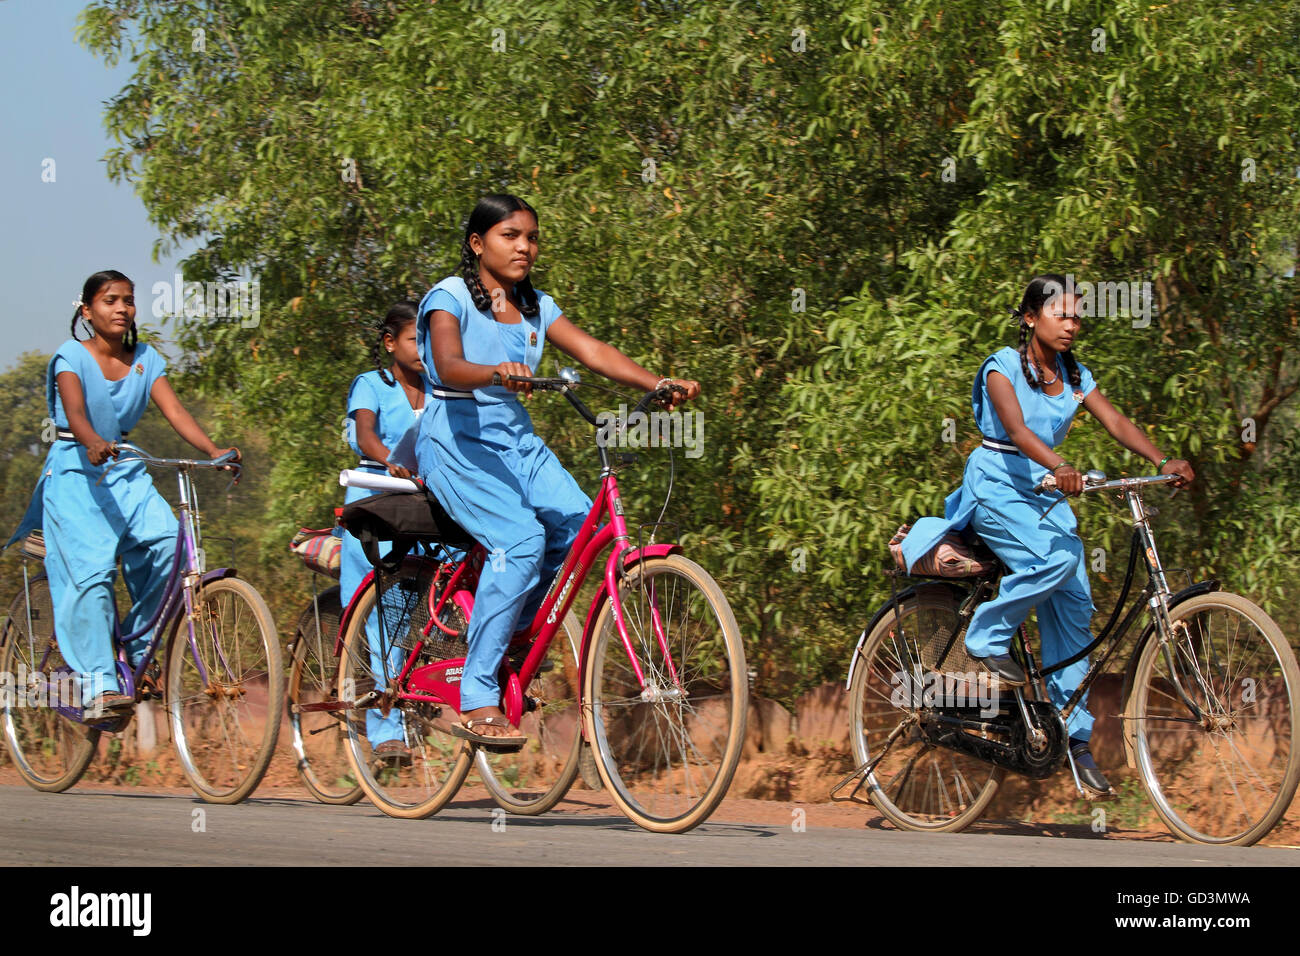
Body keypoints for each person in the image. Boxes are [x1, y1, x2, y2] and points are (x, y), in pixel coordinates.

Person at [415, 193, 698, 747]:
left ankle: (515, 636)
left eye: (532, 237)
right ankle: (477, 694)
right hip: (455, 440)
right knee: (521, 543)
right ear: (477, 244)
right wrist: (496, 371)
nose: (525, 246)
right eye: (510, 236)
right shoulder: (447, 298)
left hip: (514, 437)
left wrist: (655, 382)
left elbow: (593, 350)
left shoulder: (536, 306)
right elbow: (447, 363)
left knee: (575, 526)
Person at [900, 273, 1194, 793]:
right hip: (997, 485)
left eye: (1078, 315)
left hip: (1045, 497)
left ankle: (1074, 740)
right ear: (1031, 317)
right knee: (1052, 563)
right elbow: (1015, 431)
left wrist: (1161, 458)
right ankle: (987, 635)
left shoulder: (1076, 373)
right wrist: (1060, 464)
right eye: (1061, 313)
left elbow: (1116, 421)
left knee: (1074, 606)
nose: (1071, 324)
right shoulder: (1001, 367)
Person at [6, 270, 238, 719]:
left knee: (174, 549)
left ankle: (133, 651)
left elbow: (174, 410)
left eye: (128, 300)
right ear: (87, 310)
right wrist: (91, 439)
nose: (121, 308)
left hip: (124, 468)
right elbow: (73, 410)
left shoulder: (145, 358)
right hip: (76, 470)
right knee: (92, 577)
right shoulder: (70, 356)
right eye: (110, 300)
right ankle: (98, 685)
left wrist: (214, 450)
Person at [341, 301, 426, 764]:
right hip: (376, 501)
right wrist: (389, 458)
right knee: (384, 621)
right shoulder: (372, 385)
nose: (424, 349)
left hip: (424, 508)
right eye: (415, 339)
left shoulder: (439, 389)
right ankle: (386, 730)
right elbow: (367, 434)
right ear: (391, 343)